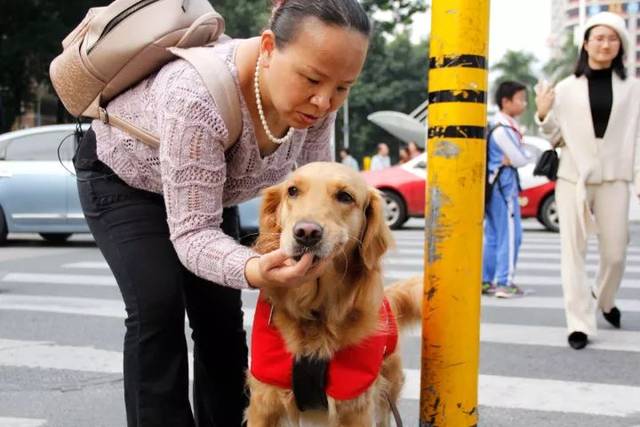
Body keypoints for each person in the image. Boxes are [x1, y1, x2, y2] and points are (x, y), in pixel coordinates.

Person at [72, 1, 371, 425]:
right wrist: (255, 268)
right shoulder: (195, 98)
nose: (324, 101)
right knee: (157, 309)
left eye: (343, 86)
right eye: (312, 79)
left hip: (210, 191)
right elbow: (193, 233)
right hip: (125, 180)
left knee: (221, 319)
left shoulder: (319, 105)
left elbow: (313, 184)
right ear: (268, 48)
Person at [535, 11, 640, 350]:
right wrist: (542, 113)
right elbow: (555, 137)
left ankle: (604, 299)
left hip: (616, 178)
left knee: (615, 253)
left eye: (612, 38)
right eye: (598, 37)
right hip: (572, 176)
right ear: (585, 43)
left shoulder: (633, 88)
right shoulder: (565, 88)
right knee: (573, 252)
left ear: (621, 45)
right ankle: (578, 322)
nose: (605, 43)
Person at [482, 81, 533, 299]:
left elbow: (516, 158)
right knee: (511, 235)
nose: (524, 103)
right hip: (504, 188)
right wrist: (517, 158)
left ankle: (486, 281)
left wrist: (514, 158)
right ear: (506, 102)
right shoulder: (503, 130)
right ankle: (504, 282)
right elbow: (520, 158)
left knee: (494, 235)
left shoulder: (502, 126)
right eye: (520, 99)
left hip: (497, 187)